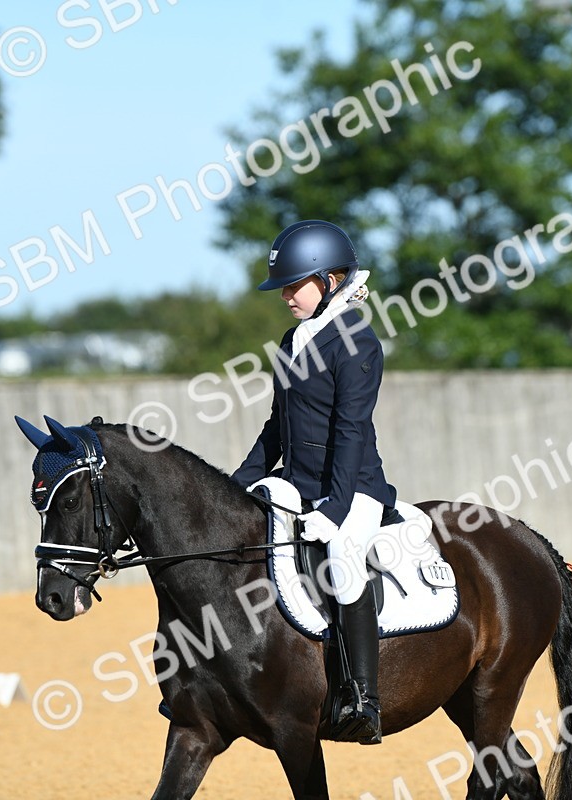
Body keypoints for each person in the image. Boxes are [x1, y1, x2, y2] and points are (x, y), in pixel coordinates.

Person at [231, 219, 396, 745]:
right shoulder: (292, 340)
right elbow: (277, 427)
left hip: (355, 489)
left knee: (345, 558)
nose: (285, 296)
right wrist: (236, 483)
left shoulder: (358, 342)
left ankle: (363, 697)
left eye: (293, 284)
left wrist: (336, 507)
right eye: (283, 286)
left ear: (329, 280)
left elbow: (351, 432)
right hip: (297, 484)